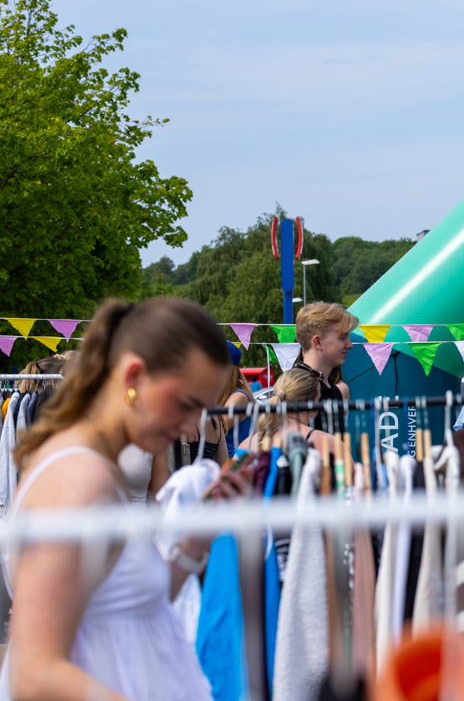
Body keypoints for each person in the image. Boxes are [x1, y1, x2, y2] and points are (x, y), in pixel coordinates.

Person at [3, 297, 252, 701]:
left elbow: (126, 614)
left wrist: (192, 545)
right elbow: (34, 675)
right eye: (187, 405)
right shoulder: (78, 478)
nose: (193, 428)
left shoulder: (102, 465)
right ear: (135, 376)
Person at [238, 368, 331, 453]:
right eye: (318, 400)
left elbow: (229, 471)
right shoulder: (325, 442)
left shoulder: (248, 444)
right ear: (309, 404)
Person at [292, 301, 356, 421]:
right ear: (318, 342)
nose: (350, 345)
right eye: (342, 337)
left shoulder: (334, 389)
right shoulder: (298, 389)